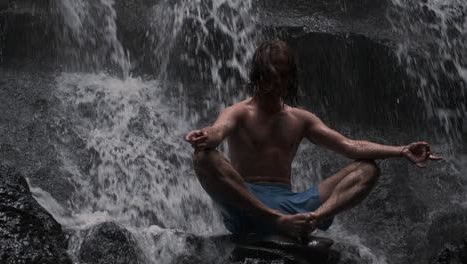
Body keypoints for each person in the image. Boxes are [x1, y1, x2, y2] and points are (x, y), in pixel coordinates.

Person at [185, 40, 442, 239]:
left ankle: (311, 221)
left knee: (368, 169)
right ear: (260, 73)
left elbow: (350, 146)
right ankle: (276, 220)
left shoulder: (301, 119)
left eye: (285, 75)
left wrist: (401, 150)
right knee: (203, 156)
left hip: (294, 206)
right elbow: (219, 130)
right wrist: (206, 136)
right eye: (273, 73)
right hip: (247, 205)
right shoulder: (239, 112)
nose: (279, 81)